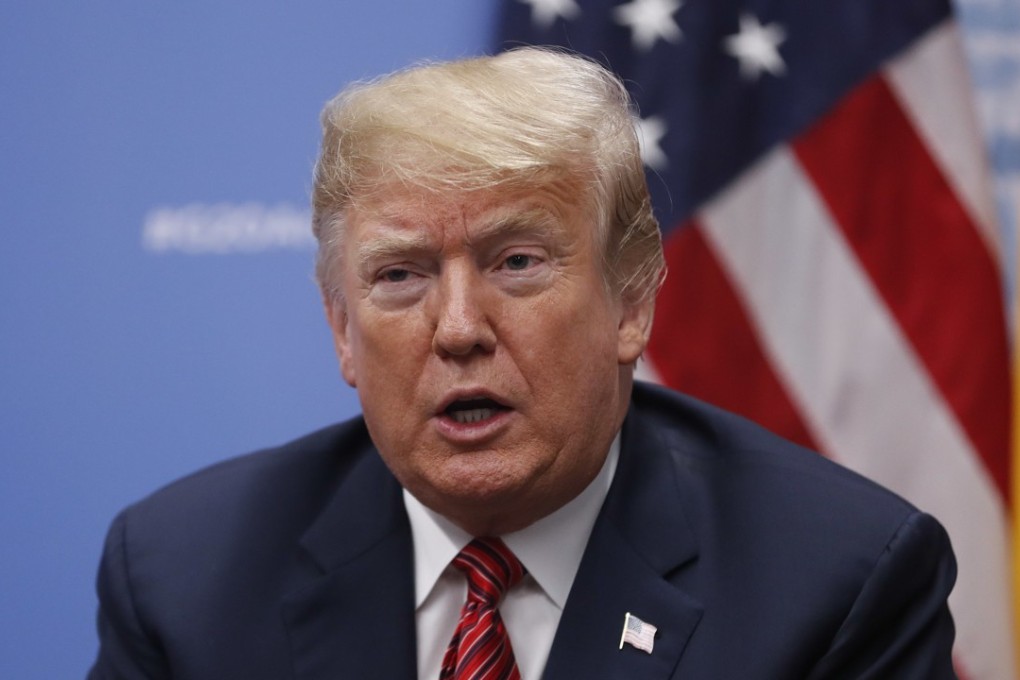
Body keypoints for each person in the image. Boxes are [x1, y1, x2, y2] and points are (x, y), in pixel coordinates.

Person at [88, 48, 957, 679]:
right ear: (342, 331)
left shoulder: (836, 585)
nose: (459, 328)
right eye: (400, 276)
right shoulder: (185, 580)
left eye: (517, 263)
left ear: (631, 302)